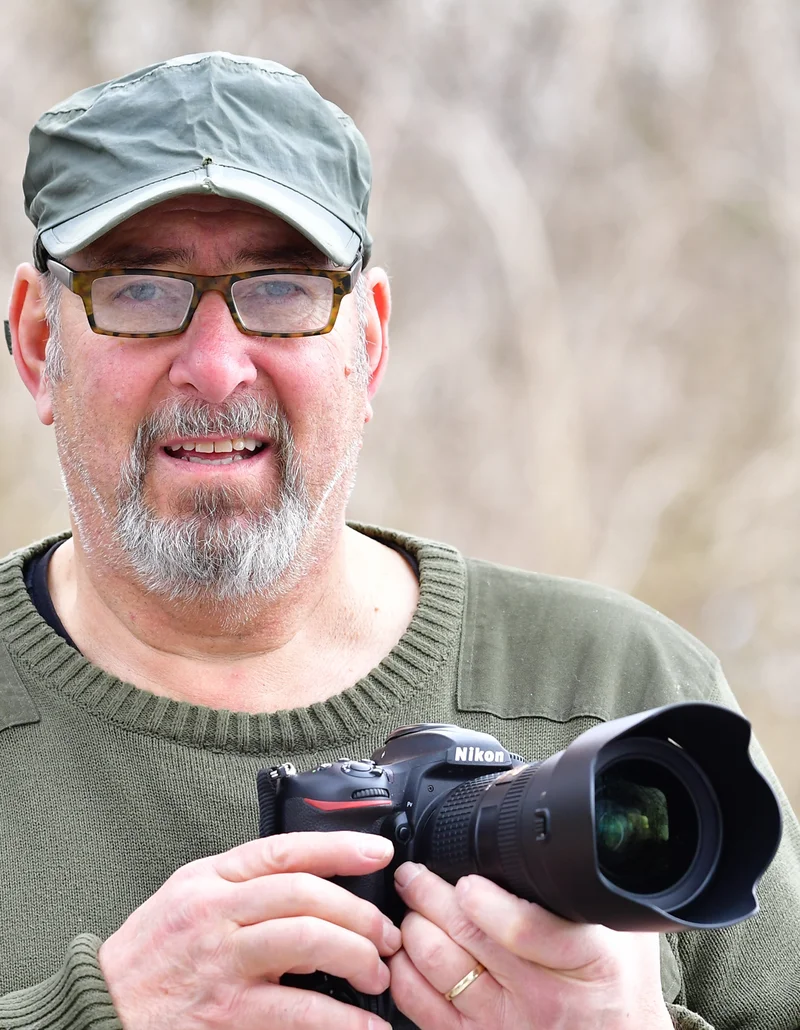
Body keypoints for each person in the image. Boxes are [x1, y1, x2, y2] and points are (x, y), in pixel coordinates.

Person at [0, 51, 797, 1030]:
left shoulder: (621, 691)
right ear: (39, 345)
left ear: (367, 346)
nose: (212, 367)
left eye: (283, 288)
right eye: (138, 290)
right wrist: (102, 1013)